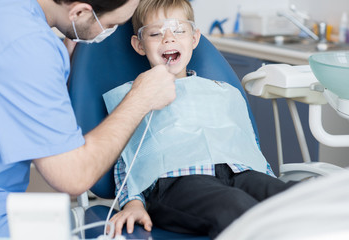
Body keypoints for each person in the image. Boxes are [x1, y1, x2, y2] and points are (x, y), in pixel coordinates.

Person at [103, 0, 297, 239]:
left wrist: (268, 180)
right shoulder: (136, 96)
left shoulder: (222, 92)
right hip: (177, 183)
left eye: (179, 30)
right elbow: (128, 157)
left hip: (240, 173)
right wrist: (132, 202)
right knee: (235, 206)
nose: (168, 39)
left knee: (292, 197)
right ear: (139, 44)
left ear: (194, 38)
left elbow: (249, 146)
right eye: (155, 33)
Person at [0, 0, 177, 237]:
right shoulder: (28, 45)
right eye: (111, 24)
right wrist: (140, 98)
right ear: (79, 12)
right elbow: (72, 175)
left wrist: (51, 74)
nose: (109, 33)